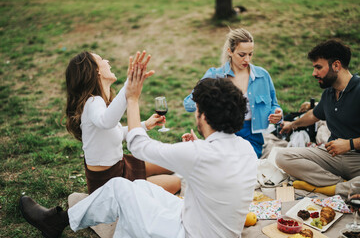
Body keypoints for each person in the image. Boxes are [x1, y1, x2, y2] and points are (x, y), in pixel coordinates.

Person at [19, 74, 258, 237]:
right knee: (141, 189)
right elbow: (217, 171)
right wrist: (197, 147)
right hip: (213, 227)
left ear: (204, 116)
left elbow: (138, 145)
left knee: (119, 189)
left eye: (197, 110)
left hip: (189, 232)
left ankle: (56, 222)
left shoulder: (200, 153)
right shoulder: (245, 149)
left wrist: (132, 99)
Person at [65, 50, 180, 194]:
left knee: (173, 161)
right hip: (108, 182)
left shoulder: (101, 104)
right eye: (101, 59)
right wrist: (129, 84)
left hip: (123, 166)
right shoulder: (93, 102)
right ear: (96, 71)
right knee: (176, 182)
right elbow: (107, 122)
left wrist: (145, 125)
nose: (107, 61)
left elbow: (115, 133)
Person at [276, 39, 360, 198]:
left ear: (336, 65)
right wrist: (291, 125)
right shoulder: (329, 93)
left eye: (318, 67)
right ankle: (342, 184)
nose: (314, 73)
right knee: (282, 156)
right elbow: (314, 115)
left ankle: (329, 188)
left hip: (357, 159)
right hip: (332, 156)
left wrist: (349, 144)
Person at [183, 28, 282, 158]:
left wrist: (277, 114)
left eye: (250, 54)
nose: (247, 59)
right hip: (222, 134)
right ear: (230, 51)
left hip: (251, 136)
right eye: (242, 55)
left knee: (242, 161)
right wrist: (209, 99)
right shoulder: (215, 75)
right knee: (221, 162)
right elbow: (188, 105)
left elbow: (274, 105)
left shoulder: (262, 75)